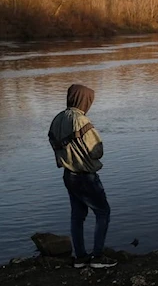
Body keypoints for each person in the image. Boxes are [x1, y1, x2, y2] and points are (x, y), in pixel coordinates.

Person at [48, 84, 117, 269]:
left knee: (77, 216)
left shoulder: (57, 118)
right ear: (84, 100)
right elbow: (97, 151)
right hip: (86, 176)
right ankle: (98, 257)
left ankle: (79, 258)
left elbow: (53, 143)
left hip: (68, 175)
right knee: (103, 212)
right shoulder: (82, 120)